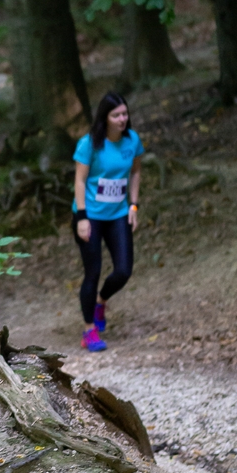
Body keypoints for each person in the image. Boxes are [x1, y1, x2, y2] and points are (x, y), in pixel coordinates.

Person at [72, 91, 143, 352]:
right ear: (105, 118)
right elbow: (80, 181)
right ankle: (89, 329)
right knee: (93, 272)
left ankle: (101, 301)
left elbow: (136, 172)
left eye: (124, 114)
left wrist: (133, 205)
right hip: (90, 215)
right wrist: (82, 217)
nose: (122, 119)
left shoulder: (132, 140)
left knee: (123, 270)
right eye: (116, 115)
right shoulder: (89, 143)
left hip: (118, 214)